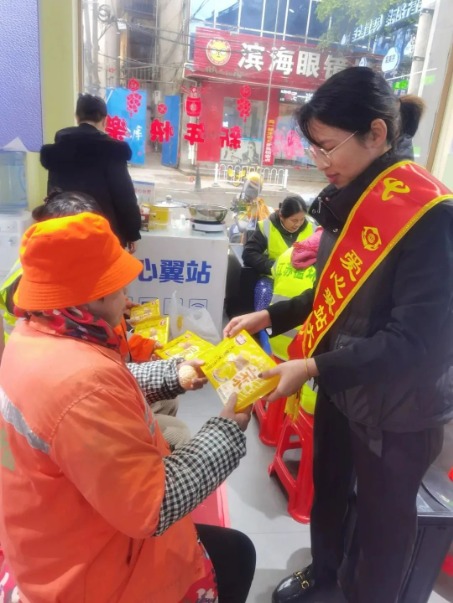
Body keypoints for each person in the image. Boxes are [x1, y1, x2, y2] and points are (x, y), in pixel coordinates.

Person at [224, 66, 453, 603]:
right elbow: (333, 293)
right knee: (328, 492)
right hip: (340, 385)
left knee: (381, 527)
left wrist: (311, 366)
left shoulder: (430, 216)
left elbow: (419, 344)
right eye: (314, 147)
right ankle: (324, 575)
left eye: (328, 147)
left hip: (398, 409)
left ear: (376, 133)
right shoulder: (348, 198)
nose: (320, 161)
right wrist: (271, 317)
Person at [0, 212, 255, 603]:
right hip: (92, 575)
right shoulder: (80, 385)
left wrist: (175, 374)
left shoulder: (33, 335)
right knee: (237, 554)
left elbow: (104, 387)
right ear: (93, 295)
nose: (128, 299)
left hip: (54, 534)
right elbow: (155, 506)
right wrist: (227, 429)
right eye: (119, 289)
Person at [40, 93, 141, 251]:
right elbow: (124, 197)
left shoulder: (57, 151)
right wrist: (132, 232)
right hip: (102, 234)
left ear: (77, 117)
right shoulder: (112, 150)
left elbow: (53, 194)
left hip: (64, 232)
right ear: (105, 120)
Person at [243, 195, 315, 310]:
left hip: (304, 279)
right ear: (281, 216)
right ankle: (264, 321)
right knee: (264, 291)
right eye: (294, 220)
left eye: (302, 219)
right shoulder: (267, 227)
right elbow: (249, 253)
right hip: (273, 278)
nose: (298, 224)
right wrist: (273, 267)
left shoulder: (313, 230)